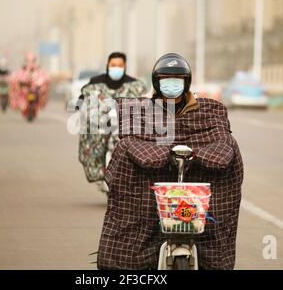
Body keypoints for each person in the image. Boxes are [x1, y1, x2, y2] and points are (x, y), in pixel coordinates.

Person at [97, 53, 244, 270]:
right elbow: (130, 141)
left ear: (187, 83)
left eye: (177, 81)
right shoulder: (141, 112)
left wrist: (196, 153)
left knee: (231, 149)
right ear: (157, 83)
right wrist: (160, 154)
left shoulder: (207, 111)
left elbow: (221, 140)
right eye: (166, 80)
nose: (172, 86)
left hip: (196, 179)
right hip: (151, 188)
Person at [77, 52, 146, 191]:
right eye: (113, 65)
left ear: (125, 66)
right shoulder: (95, 83)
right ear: (108, 65)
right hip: (100, 124)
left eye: (120, 65)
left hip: (124, 126)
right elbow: (81, 100)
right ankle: (97, 171)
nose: (116, 68)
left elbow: (145, 101)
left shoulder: (135, 86)